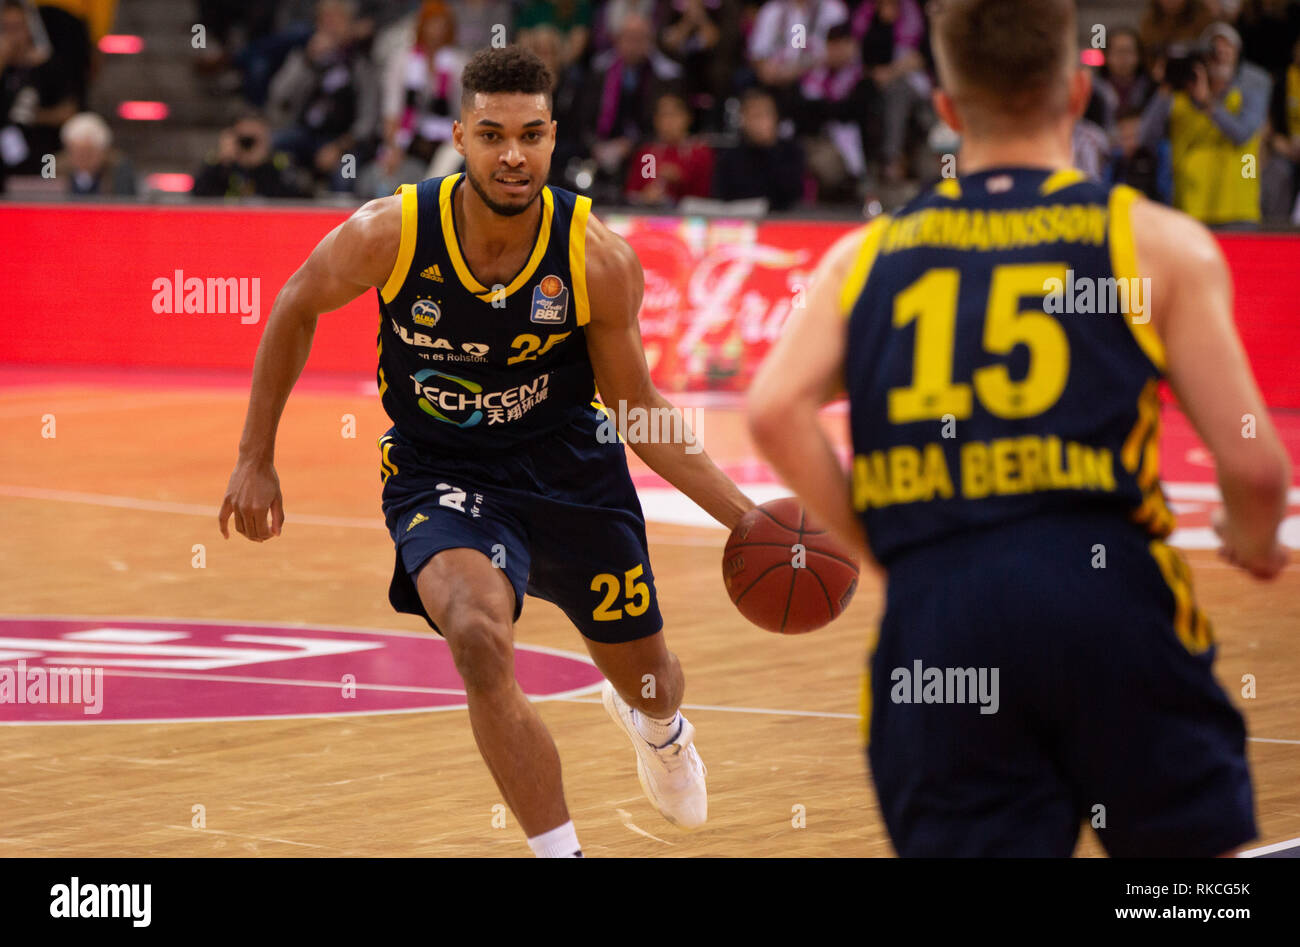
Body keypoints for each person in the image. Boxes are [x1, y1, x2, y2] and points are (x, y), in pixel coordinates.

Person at [748, 0, 1289, 857]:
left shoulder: (867, 256)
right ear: (1078, 92)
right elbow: (1258, 471)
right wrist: (1251, 539)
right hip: (1111, 604)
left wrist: (892, 546)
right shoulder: (1152, 242)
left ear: (949, 109)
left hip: (941, 619)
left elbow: (773, 409)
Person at [218, 45, 754, 858]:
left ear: (552, 138)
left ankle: (660, 725)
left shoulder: (595, 257)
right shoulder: (392, 232)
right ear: (461, 135)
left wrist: (746, 519)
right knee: (477, 634)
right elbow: (296, 301)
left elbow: (638, 410)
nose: (513, 154)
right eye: (494, 134)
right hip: (446, 471)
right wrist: (255, 454)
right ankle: (560, 851)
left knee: (652, 676)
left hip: (572, 466)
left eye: (532, 135)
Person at [1140, 21, 1273, 226]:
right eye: (1213, 49)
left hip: (1238, 207)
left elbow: (1242, 134)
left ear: (1238, 53)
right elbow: (1146, 137)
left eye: (1227, 47)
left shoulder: (1251, 86)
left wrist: (1207, 103)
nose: (1220, 54)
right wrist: (1165, 85)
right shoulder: (1179, 95)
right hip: (1189, 207)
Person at [712, 86, 806, 210]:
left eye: (767, 114)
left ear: (776, 117)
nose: (762, 122)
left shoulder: (792, 151)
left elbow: (793, 195)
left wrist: (770, 148)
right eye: (756, 115)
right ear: (743, 119)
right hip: (741, 222)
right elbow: (721, 199)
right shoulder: (729, 157)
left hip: (783, 220)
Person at [624, 90, 715, 205]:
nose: (669, 121)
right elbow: (632, 193)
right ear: (655, 121)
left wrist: (680, 180)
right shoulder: (648, 154)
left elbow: (706, 196)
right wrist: (645, 195)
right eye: (663, 115)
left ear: (687, 118)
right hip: (651, 215)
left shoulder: (700, 152)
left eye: (674, 114)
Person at [192, 111, 303, 198]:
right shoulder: (219, 162)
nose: (249, 145)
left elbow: (295, 198)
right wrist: (224, 164)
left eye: (254, 140)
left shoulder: (279, 162)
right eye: (244, 140)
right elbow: (197, 196)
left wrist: (262, 165)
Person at [57, 110, 135, 195]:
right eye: (78, 153)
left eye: (89, 154)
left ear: (103, 151)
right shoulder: (57, 171)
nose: (83, 159)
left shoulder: (118, 173)